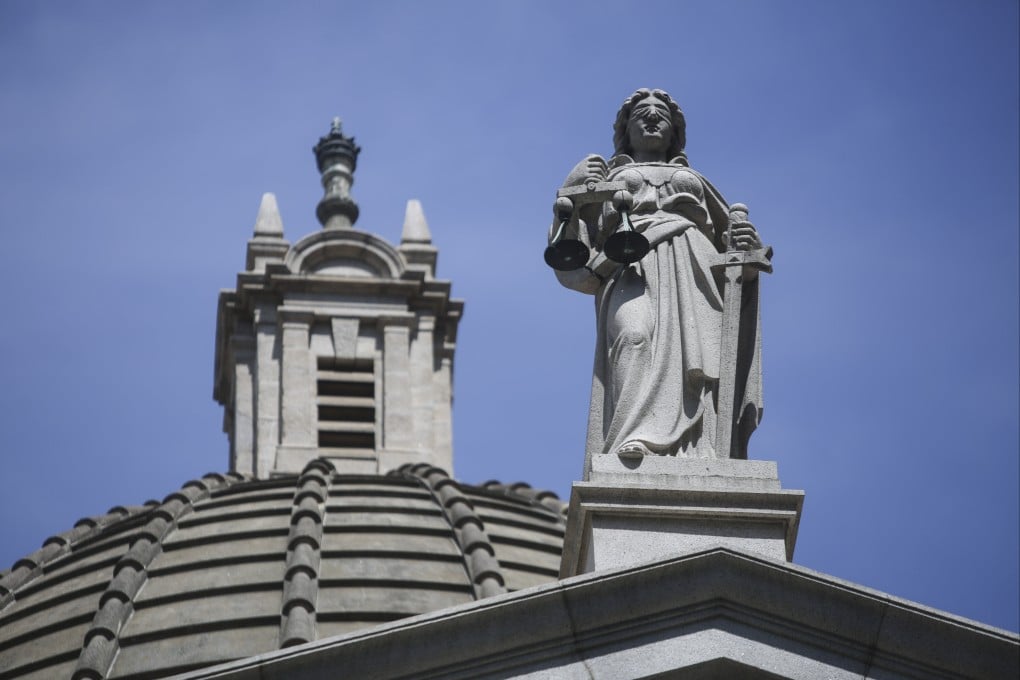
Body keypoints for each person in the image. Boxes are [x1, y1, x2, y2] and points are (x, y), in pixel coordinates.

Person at [550, 88, 765, 466]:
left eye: (660, 114)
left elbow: (732, 249)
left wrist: (746, 251)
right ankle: (631, 436)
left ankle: (703, 449)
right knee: (632, 337)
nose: (651, 118)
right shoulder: (606, 178)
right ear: (626, 130)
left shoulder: (695, 179)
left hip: (694, 266)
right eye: (641, 114)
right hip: (631, 264)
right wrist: (571, 188)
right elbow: (575, 268)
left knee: (697, 360)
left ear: (674, 130)